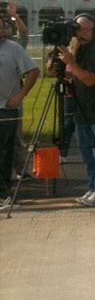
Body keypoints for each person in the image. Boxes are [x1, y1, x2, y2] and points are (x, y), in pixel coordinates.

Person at [56, 15, 95, 206]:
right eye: (78, 29)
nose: (81, 33)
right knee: (86, 154)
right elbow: (70, 74)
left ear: (94, 31)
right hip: (81, 110)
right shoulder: (77, 50)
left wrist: (71, 63)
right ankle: (93, 187)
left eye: (86, 29)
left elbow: (90, 79)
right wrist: (58, 63)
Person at [0, 19, 39, 197]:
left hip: (7, 108)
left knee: (6, 150)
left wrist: (20, 95)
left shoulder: (13, 48)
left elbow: (34, 70)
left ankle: (3, 190)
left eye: (0, 27)